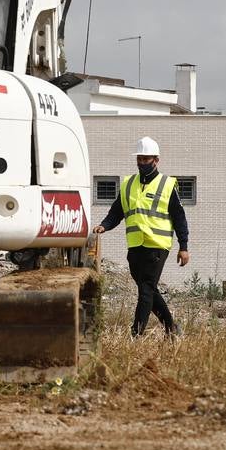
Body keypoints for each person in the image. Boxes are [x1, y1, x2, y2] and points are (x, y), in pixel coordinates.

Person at [93, 136, 190, 337]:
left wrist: (184, 246)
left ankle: (136, 335)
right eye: (140, 159)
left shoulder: (167, 184)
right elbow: (116, 212)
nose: (142, 163)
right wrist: (104, 226)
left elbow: (179, 217)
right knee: (149, 290)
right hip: (135, 246)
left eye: (146, 159)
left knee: (145, 290)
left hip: (157, 245)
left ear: (156, 160)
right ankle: (172, 328)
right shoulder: (128, 184)